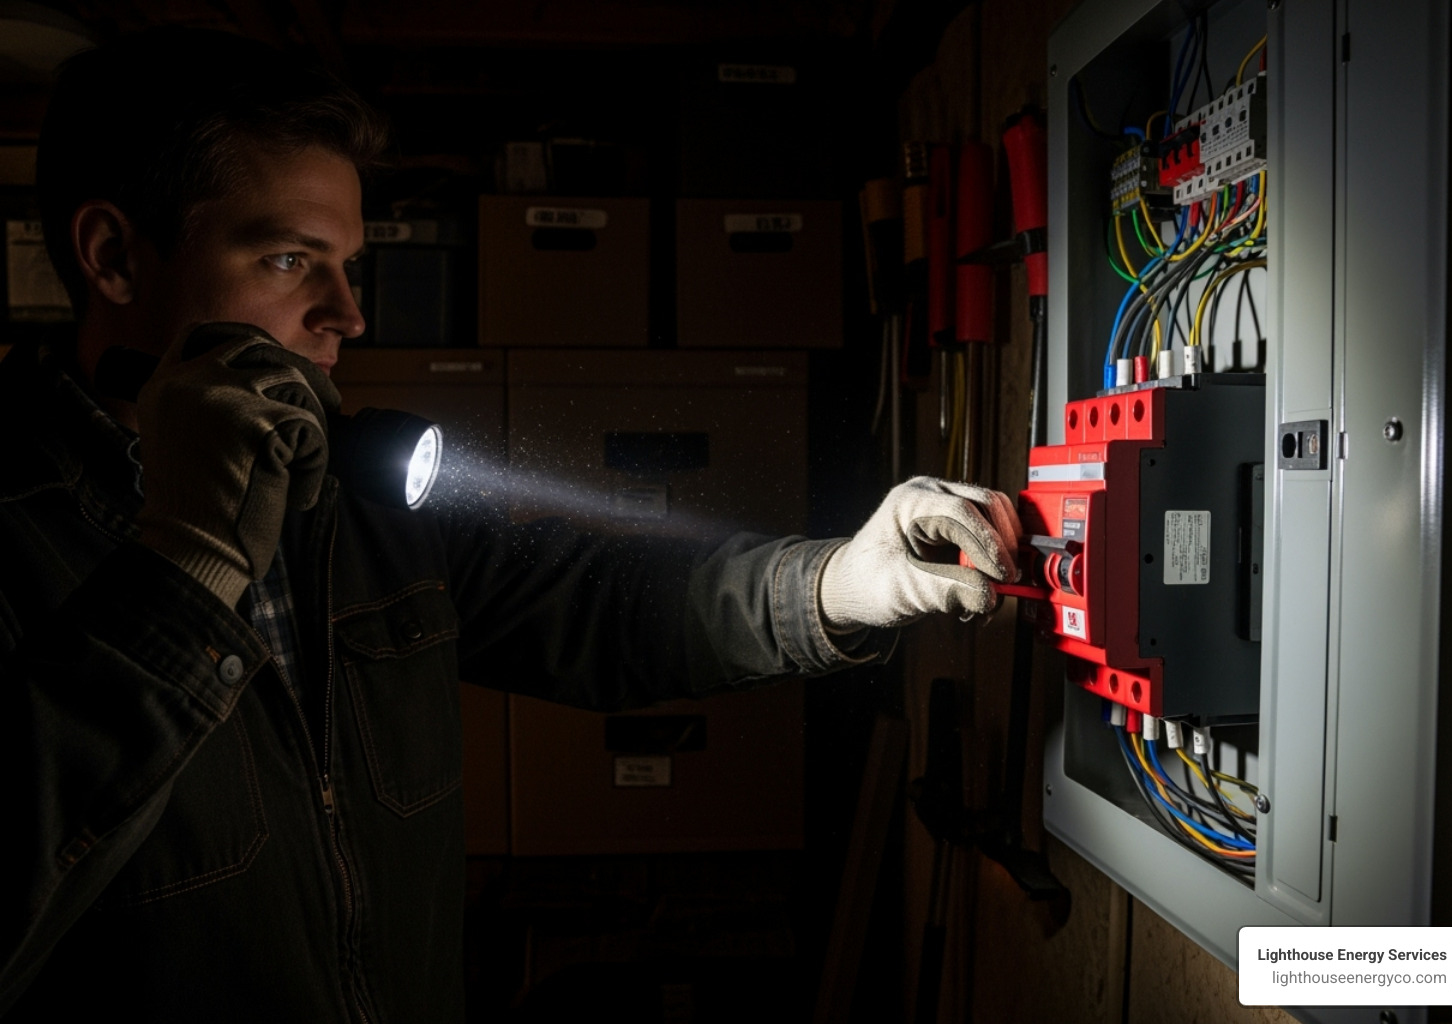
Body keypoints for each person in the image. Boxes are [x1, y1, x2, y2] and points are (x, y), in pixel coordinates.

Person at [0, 27, 1023, 1021]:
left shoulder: (351, 503)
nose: (348, 314)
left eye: (348, 264)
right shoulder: (12, 548)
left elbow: (598, 601)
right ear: (114, 258)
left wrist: (839, 580)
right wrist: (186, 568)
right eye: (286, 259)